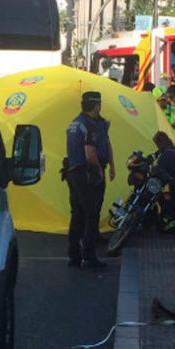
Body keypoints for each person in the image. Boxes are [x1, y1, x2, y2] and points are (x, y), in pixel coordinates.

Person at [64, 91, 114, 268]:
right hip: (87, 174)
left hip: (73, 172)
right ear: (96, 105)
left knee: (77, 214)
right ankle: (89, 255)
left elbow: (106, 145)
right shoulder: (89, 126)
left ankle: (74, 255)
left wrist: (111, 166)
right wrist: (100, 171)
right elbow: (90, 154)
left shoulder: (75, 123)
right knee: (91, 214)